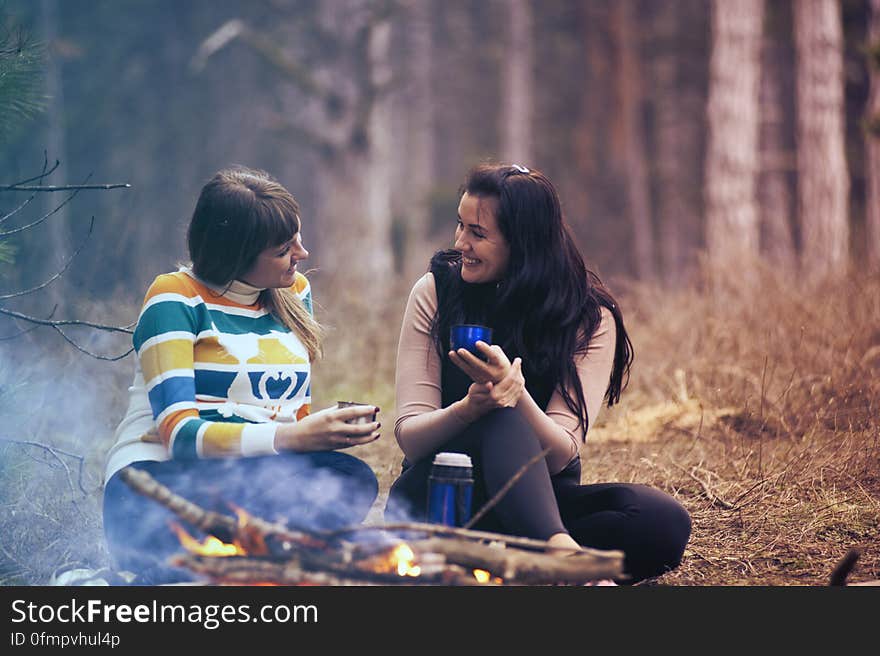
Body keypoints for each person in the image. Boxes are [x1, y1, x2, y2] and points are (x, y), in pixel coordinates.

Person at [385, 162, 691, 583]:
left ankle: (526, 557)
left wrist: (517, 395)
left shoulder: (589, 316)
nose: (460, 243)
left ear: (523, 243)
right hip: (441, 497)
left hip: (539, 499)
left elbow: (563, 451)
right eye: (460, 226)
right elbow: (411, 437)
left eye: (478, 233)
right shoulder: (436, 292)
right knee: (497, 417)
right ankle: (563, 560)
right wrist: (470, 409)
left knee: (662, 521)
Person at [102, 166, 380, 584]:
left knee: (350, 477)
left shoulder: (293, 292)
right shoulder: (174, 298)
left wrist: (316, 434)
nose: (301, 254)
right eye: (285, 248)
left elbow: (289, 414)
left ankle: (246, 565)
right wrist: (292, 438)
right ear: (236, 254)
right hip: (157, 484)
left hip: (249, 478)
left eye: (298, 239)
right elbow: (180, 436)